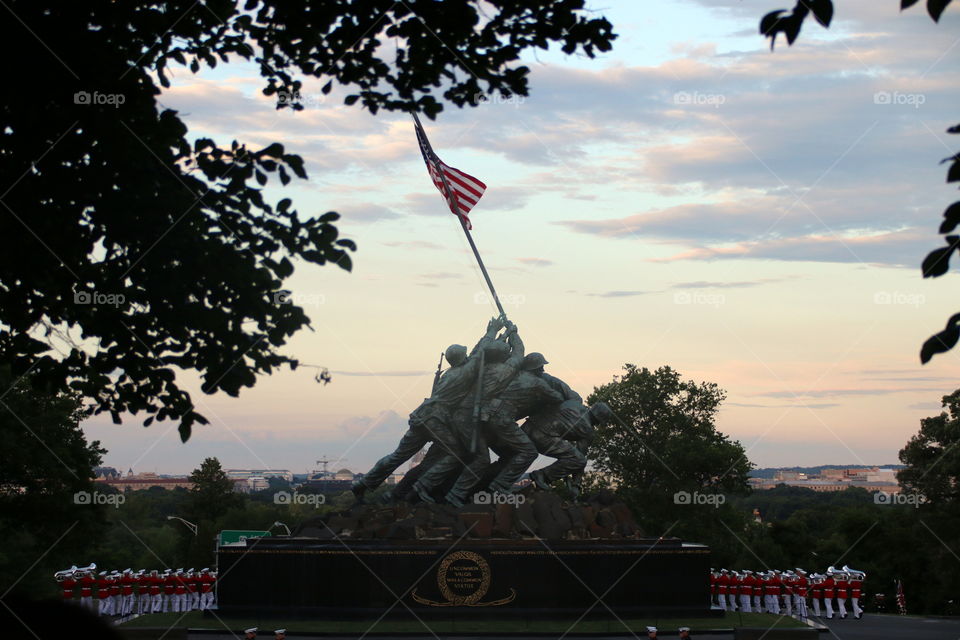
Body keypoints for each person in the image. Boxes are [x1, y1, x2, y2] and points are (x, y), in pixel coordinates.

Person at [353, 317, 503, 502]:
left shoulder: (451, 372)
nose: (467, 356)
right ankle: (423, 486)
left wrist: (490, 332)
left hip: (421, 415)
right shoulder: (464, 373)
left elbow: (474, 354)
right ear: (461, 358)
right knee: (457, 452)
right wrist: (492, 331)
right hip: (436, 419)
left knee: (398, 456)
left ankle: (362, 484)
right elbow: (479, 354)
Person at [411, 321, 527, 505]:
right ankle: (446, 492)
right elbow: (519, 352)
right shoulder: (505, 370)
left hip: (454, 416)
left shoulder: (475, 367)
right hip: (467, 419)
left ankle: (434, 488)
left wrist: (495, 332)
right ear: (505, 355)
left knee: (464, 455)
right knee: (480, 459)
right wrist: (513, 333)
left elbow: (477, 352)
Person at [524, 400, 612, 496]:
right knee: (579, 460)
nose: (597, 425)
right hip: (542, 437)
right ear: (598, 419)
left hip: (528, 426)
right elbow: (579, 459)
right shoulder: (588, 430)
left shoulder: (575, 404)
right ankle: (542, 475)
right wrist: (576, 484)